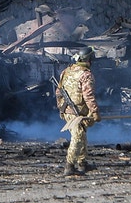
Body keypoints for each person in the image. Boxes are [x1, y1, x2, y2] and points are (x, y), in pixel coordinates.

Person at [55, 46, 100, 176]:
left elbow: (58, 92)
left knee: (81, 134)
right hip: (77, 112)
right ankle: (69, 166)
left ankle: (82, 164)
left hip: (67, 110)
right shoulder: (86, 75)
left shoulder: (66, 71)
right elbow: (88, 95)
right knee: (78, 136)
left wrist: (61, 109)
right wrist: (95, 112)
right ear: (88, 60)